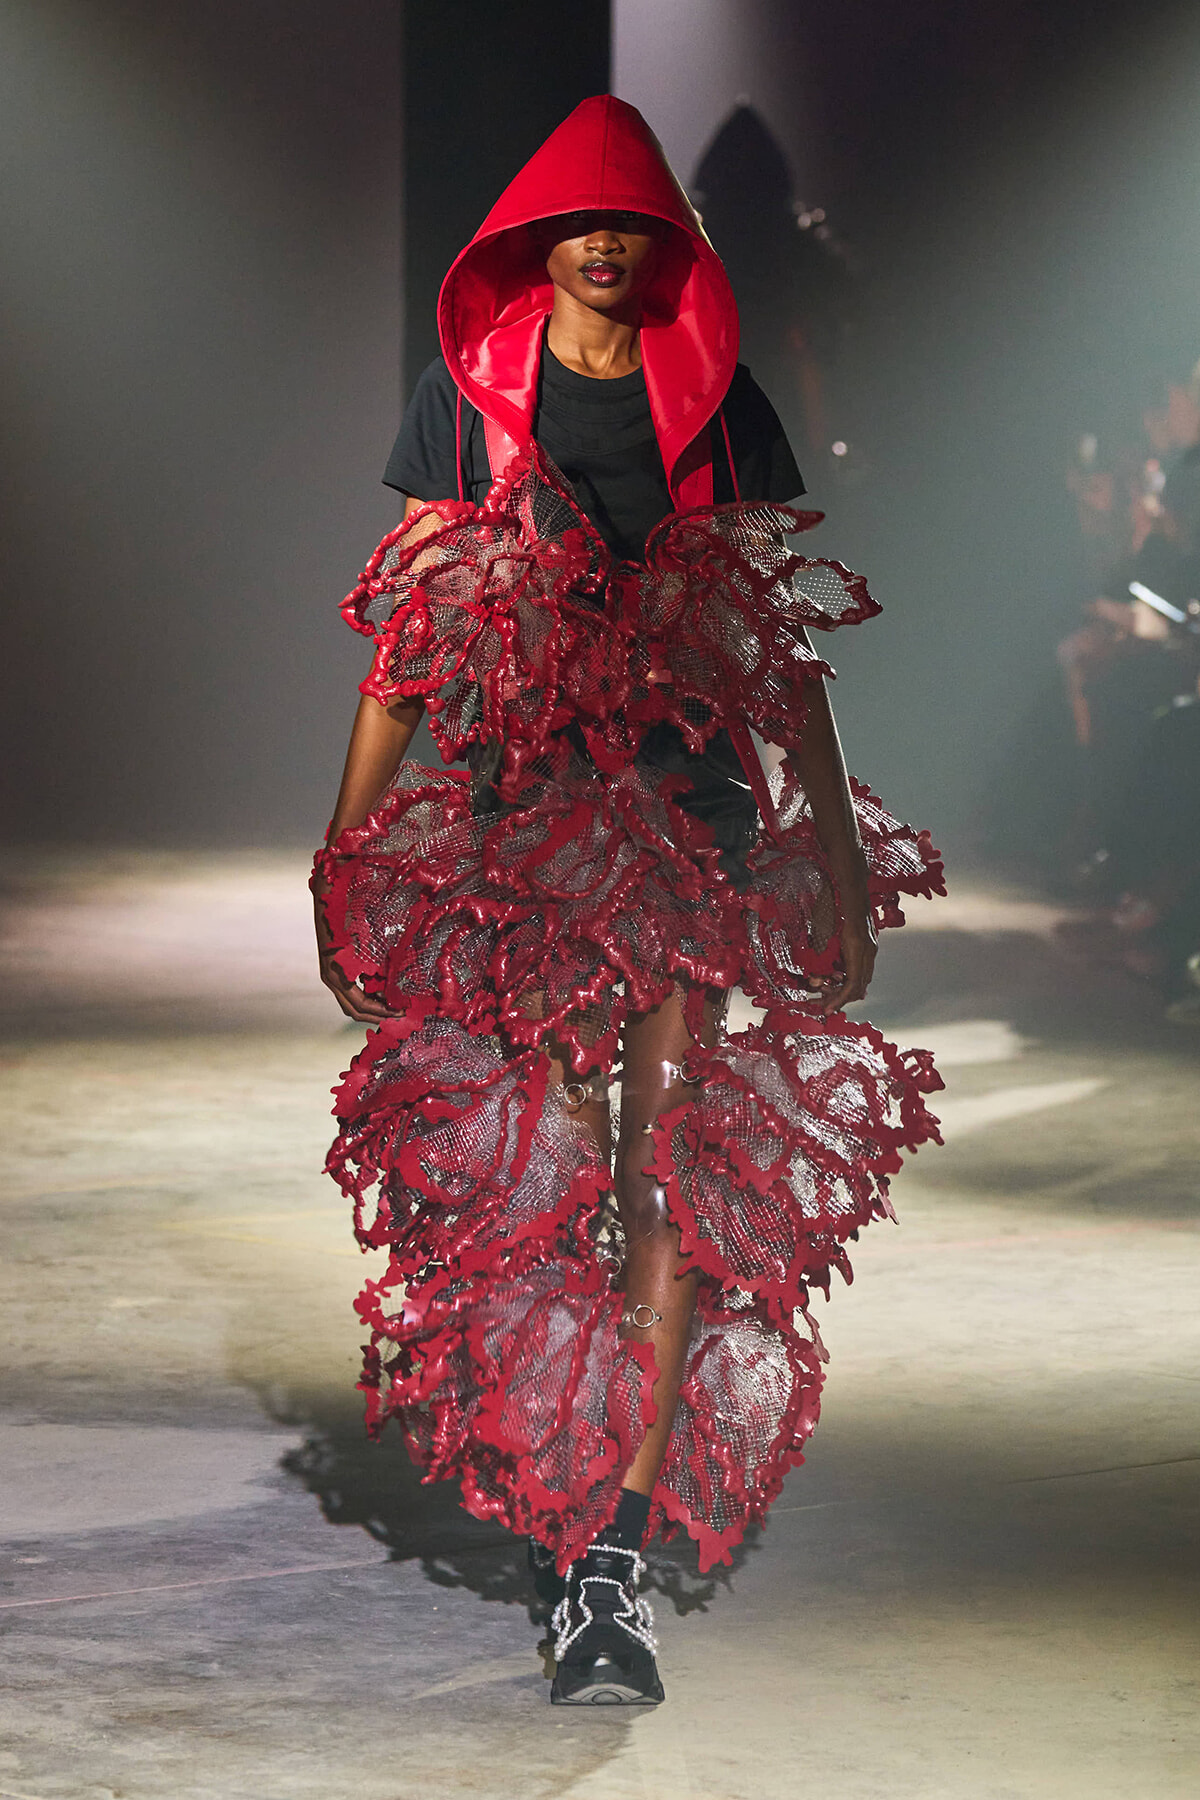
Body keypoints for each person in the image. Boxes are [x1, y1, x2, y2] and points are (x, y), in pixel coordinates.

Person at [312, 95, 943, 1707]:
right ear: (536, 237)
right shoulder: (469, 400)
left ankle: (613, 1557)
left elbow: (773, 648)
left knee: (665, 1184)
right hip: (522, 842)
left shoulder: (717, 407)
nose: (604, 242)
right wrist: (348, 847)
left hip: (685, 832)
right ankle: (560, 1464)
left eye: (632, 222)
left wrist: (829, 852)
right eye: (579, 220)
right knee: (542, 1184)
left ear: (665, 242)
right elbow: (413, 633)